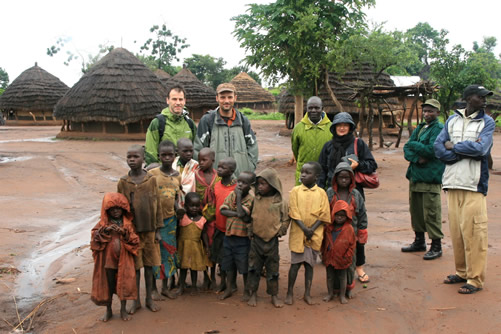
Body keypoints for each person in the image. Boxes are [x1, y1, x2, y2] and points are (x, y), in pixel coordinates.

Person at [434, 84, 495, 294]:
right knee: (457, 233)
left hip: (473, 185)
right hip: (452, 183)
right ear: (469, 98)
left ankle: (475, 279)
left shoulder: (487, 122)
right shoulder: (452, 120)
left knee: (474, 234)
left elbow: (481, 149)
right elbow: (439, 148)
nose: (485, 100)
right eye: (481, 97)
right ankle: (461, 272)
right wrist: (459, 152)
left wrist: (455, 147)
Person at [318, 111, 377, 283]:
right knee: (332, 227)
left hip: (353, 192)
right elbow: (322, 169)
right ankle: (332, 258)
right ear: (334, 127)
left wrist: (359, 165)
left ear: (351, 127)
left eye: (345, 125)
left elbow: (372, 164)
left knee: (356, 228)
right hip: (333, 192)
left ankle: (359, 266)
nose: (342, 128)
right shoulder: (328, 146)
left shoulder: (358, 144)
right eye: (339, 125)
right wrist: (321, 191)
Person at [117, 145, 162, 314]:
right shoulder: (123, 182)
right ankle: (135, 301)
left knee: (149, 266)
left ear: (143, 159)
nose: (132, 160)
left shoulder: (151, 180)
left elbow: (157, 205)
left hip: (150, 230)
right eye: (129, 157)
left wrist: (158, 229)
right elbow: (119, 207)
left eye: (136, 157)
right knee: (135, 268)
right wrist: (123, 230)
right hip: (132, 232)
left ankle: (149, 299)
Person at [402, 99, 445, 260]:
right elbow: (406, 148)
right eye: (425, 111)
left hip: (430, 177)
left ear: (437, 113)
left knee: (431, 212)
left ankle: (436, 245)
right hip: (415, 175)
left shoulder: (439, 128)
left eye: (431, 111)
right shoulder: (420, 127)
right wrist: (416, 158)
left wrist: (415, 145)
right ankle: (419, 241)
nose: (427, 114)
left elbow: (431, 150)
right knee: (416, 211)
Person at [285, 162, 331, 306]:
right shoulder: (295, 191)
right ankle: (289, 292)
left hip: (315, 235)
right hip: (299, 233)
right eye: (302, 172)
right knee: (295, 265)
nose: (302, 175)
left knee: (309, 265)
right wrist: (304, 228)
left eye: (307, 173)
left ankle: (307, 293)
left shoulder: (322, 193)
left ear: (316, 177)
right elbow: (293, 211)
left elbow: (324, 213)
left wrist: (312, 229)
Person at [90, 192, 139, 322]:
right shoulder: (102, 224)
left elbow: (135, 241)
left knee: (123, 284)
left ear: (123, 209)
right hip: (109, 261)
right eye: (113, 209)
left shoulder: (127, 224)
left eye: (118, 209)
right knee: (108, 285)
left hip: (123, 260)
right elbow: (94, 240)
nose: (116, 212)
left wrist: (124, 233)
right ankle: (109, 310)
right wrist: (105, 231)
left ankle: (123, 310)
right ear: (108, 210)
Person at [194, 83, 258, 177]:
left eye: (230, 97)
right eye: (223, 97)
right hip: (215, 179)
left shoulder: (243, 121)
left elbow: (252, 146)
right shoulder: (208, 120)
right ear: (217, 98)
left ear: (235, 98)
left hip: (239, 179)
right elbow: (198, 149)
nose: (226, 101)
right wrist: (205, 173)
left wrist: (249, 167)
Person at [247, 168, 289, 308]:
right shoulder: (256, 200)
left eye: (263, 184)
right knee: (254, 269)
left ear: (273, 185)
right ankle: (253, 293)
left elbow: (286, 218)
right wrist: (250, 230)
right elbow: (250, 218)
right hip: (256, 240)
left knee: (273, 270)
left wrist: (281, 230)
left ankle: (274, 295)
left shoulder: (280, 202)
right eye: (258, 184)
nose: (260, 187)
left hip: (272, 241)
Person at [326, 162, 368, 288]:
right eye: (341, 177)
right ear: (335, 178)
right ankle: (334, 288)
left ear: (351, 179)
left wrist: (362, 231)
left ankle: (348, 286)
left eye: (347, 177)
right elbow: (324, 212)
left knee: (350, 259)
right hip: (333, 234)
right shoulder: (330, 193)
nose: (344, 180)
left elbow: (362, 214)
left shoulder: (355, 194)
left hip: (351, 234)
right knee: (332, 260)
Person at [149, 140, 182, 298]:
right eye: (164, 155)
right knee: (155, 253)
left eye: (170, 155)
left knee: (169, 253)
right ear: (159, 156)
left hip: (171, 221)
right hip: (156, 221)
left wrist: (178, 208)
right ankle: (153, 288)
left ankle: (165, 287)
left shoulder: (177, 175)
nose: (167, 158)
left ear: (175, 156)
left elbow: (176, 196)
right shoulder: (153, 174)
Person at [219, 171, 255, 300]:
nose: (239, 185)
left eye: (244, 183)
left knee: (244, 266)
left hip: (242, 239)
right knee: (229, 265)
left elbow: (242, 213)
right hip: (229, 236)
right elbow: (223, 210)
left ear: (251, 186)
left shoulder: (250, 199)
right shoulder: (231, 195)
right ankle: (229, 288)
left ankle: (246, 291)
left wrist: (238, 198)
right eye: (239, 181)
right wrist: (236, 213)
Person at [145, 84, 196, 167]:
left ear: (184, 101)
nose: (178, 103)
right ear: (167, 100)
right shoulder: (157, 123)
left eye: (180, 99)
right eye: (174, 99)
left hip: (186, 173)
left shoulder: (190, 124)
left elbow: (195, 149)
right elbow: (150, 152)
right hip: (164, 172)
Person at [194, 148, 221, 289]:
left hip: (215, 219)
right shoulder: (195, 177)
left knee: (213, 245)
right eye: (199, 160)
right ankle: (205, 276)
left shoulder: (218, 177)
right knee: (203, 247)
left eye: (204, 160)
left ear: (212, 160)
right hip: (199, 218)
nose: (201, 163)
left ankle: (213, 275)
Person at [291, 96, 332, 185]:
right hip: (303, 174)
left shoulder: (331, 128)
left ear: (322, 109)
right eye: (310, 108)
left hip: (323, 174)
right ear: (307, 109)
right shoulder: (298, 128)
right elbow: (295, 149)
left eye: (317, 108)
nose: (313, 110)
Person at [321, 200, 356, 304]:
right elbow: (323, 242)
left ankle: (342, 295)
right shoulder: (328, 228)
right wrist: (323, 253)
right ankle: (330, 293)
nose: (339, 218)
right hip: (329, 257)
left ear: (347, 217)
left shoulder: (349, 229)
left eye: (342, 216)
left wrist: (347, 256)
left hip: (342, 258)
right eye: (337, 215)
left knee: (342, 277)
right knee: (330, 276)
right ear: (333, 215)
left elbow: (352, 245)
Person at [211, 157, 238, 293]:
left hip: (232, 230)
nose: (219, 169)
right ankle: (223, 283)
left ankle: (231, 284)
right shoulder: (216, 185)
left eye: (223, 168)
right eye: (219, 166)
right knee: (221, 258)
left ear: (231, 171)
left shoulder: (237, 188)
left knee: (231, 258)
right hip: (219, 228)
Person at [176, 192, 210, 296]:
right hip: (183, 247)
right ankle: (181, 286)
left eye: (197, 206)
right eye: (192, 206)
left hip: (195, 247)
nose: (194, 208)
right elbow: (178, 232)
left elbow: (204, 234)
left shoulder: (202, 220)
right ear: (185, 206)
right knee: (183, 268)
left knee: (194, 268)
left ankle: (194, 286)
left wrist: (207, 247)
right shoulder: (182, 218)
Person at [174, 137, 199, 206]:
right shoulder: (172, 164)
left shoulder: (196, 166)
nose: (189, 153)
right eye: (185, 151)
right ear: (177, 151)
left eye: (191, 151)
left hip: (191, 202)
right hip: (173, 201)